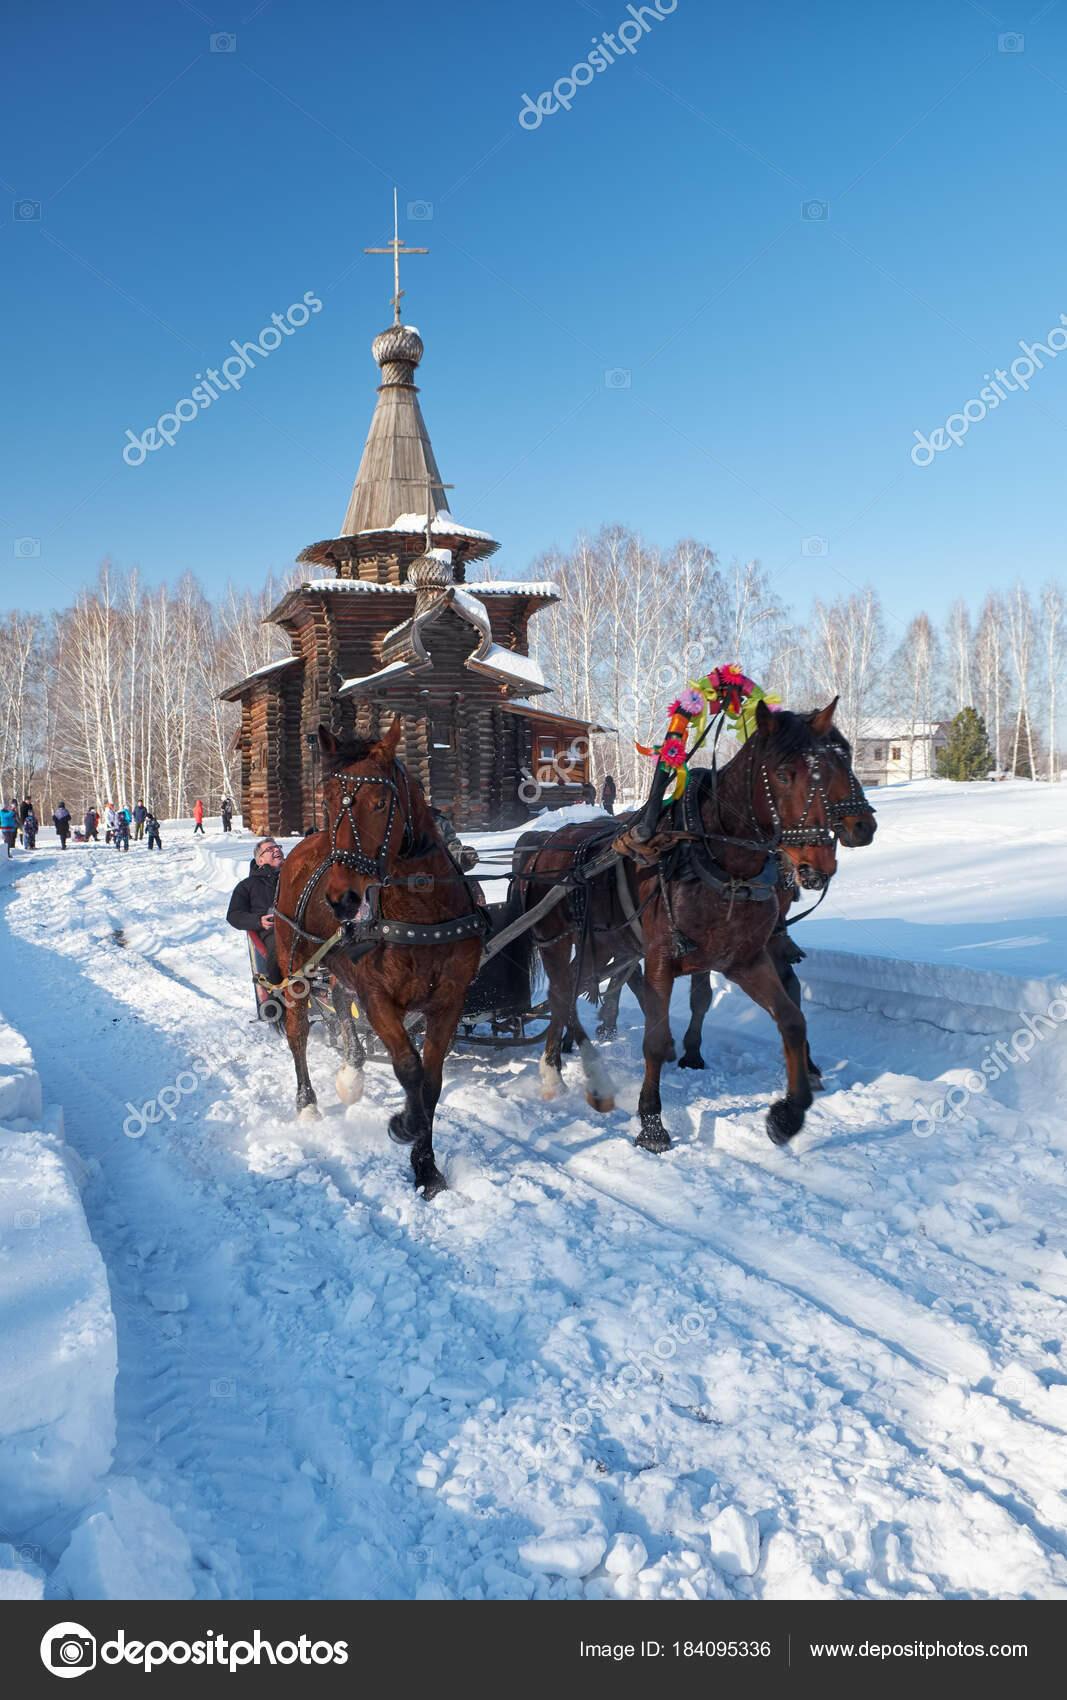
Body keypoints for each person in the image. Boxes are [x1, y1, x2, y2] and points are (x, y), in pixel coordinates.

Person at [227, 838, 286, 1017]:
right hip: (272, 932)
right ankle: (278, 999)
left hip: (303, 928)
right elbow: (234, 915)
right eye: (270, 849)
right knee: (281, 948)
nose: (276, 850)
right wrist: (258, 921)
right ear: (260, 860)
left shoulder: (295, 876)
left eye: (278, 847)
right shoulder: (247, 886)